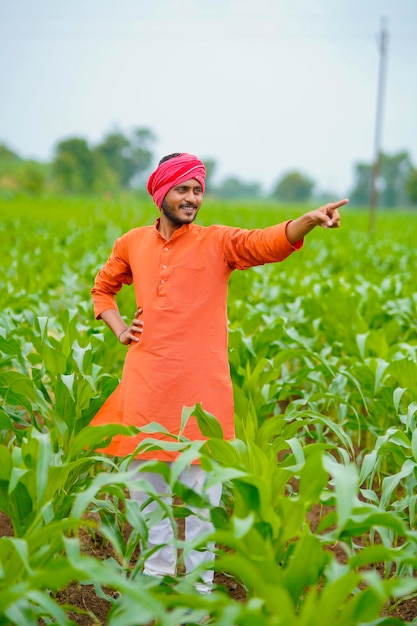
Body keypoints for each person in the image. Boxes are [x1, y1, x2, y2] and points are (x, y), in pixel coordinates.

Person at [91, 152, 348, 592]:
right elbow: (103, 289)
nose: (192, 198)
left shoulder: (217, 242)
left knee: (201, 498)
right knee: (146, 491)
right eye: (183, 189)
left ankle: (199, 588)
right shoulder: (133, 242)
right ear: (160, 193)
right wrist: (119, 329)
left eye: (197, 190)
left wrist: (304, 221)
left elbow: (264, 243)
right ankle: (154, 578)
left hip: (201, 394)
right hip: (145, 385)